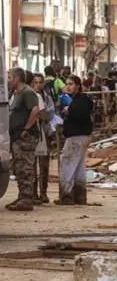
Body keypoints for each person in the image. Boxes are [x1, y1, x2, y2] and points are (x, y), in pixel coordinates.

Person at [6, 68, 41, 211]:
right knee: (19, 167)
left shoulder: (27, 92)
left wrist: (26, 129)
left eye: (9, 77)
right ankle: (22, 197)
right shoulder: (17, 93)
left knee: (25, 167)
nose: (7, 80)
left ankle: (27, 199)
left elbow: (35, 110)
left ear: (16, 78)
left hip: (25, 137)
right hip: (17, 137)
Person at [58, 76, 93, 205]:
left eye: (71, 84)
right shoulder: (80, 100)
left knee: (67, 164)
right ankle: (80, 196)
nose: (68, 86)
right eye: (67, 84)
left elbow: (79, 115)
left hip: (76, 136)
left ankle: (67, 196)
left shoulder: (79, 101)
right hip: (82, 136)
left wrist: (69, 109)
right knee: (78, 167)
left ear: (78, 86)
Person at [30, 73, 57, 204]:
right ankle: (34, 193)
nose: (38, 85)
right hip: (32, 135)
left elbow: (49, 116)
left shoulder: (46, 98)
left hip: (44, 134)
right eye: (36, 82)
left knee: (44, 166)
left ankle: (43, 193)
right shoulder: (29, 97)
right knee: (32, 165)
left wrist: (41, 115)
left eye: (40, 82)